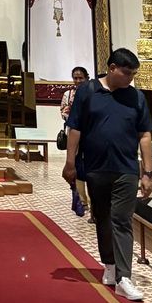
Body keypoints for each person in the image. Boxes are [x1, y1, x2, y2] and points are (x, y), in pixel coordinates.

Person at [62, 48, 152, 302]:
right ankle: (110, 265)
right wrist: (70, 163)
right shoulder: (88, 92)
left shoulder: (136, 97)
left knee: (122, 220)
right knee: (102, 217)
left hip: (126, 169)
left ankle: (125, 277)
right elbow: (75, 128)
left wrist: (147, 172)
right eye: (127, 73)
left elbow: (144, 135)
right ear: (112, 68)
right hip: (96, 168)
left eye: (133, 74)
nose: (130, 78)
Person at [58, 66, 90, 217]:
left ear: (86, 78)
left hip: (90, 133)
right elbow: (64, 112)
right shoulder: (68, 94)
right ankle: (82, 200)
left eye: (80, 78)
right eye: (75, 78)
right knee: (77, 165)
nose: (78, 81)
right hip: (73, 132)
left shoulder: (92, 93)